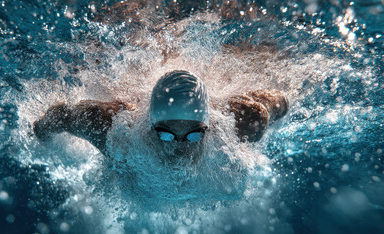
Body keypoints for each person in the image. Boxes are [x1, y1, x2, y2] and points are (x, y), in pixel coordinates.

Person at [34, 70, 288, 162]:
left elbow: (280, 101)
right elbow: (61, 116)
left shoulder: (244, 124)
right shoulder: (114, 133)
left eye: (194, 134)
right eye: (166, 135)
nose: (180, 148)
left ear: (208, 127)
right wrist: (40, 132)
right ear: (150, 125)